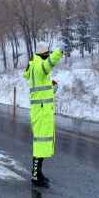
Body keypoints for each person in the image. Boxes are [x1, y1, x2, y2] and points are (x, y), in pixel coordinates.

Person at [23, 41, 66, 188]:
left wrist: (50, 88)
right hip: (41, 112)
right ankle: (35, 176)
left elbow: (40, 86)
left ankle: (38, 173)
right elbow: (49, 64)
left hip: (41, 110)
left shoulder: (34, 65)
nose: (48, 55)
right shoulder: (40, 65)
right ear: (44, 54)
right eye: (47, 53)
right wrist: (59, 51)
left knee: (42, 143)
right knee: (40, 143)